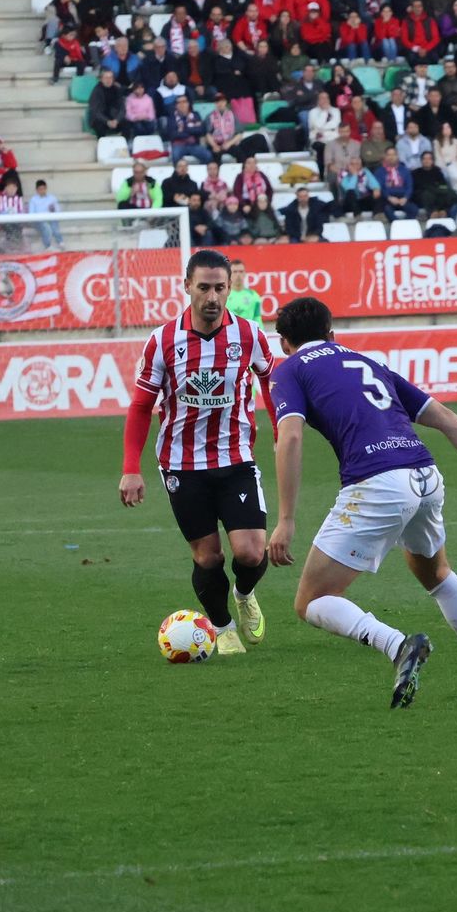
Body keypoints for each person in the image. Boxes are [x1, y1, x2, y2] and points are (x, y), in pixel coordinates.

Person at [265, 296, 457, 706]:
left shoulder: (289, 370)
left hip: (377, 483)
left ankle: (398, 646)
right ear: (333, 333)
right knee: (436, 572)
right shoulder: (370, 364)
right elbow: (446, 418)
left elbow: (291, 436)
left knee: (312, 600)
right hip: (425, 476)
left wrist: (285, 519)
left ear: (284, 342)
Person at [118, 250, 275, 657]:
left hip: (236, 458)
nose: (212, 297)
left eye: (219, 288)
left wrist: (280, 427)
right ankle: (222, 627)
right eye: (203, 287)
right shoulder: (162, 340)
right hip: (183, 466)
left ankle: (243, 593)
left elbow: (270, 380)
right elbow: (140, 407)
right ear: (187, 286)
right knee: (208, 557)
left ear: (229, 288)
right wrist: (130, 468)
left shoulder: (250, 335)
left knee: (252, 552)